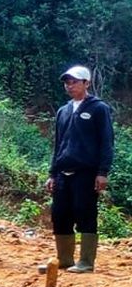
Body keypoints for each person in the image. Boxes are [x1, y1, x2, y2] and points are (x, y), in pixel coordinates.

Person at [46, 66, 114, 274]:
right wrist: (52, 173)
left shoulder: (98, 108)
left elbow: (107, 141)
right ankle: (65, 259)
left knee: (85, 213)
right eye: (67, 82)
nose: (70, 85)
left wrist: (103, 172)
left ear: (87, 83)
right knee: (60, 215)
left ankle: (86, 261)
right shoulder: (63, 111)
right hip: (62, 172)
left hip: (86, 172)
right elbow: (58, 144)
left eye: (75, 81)